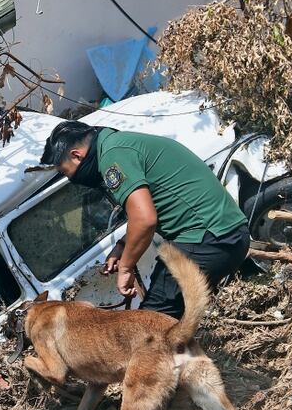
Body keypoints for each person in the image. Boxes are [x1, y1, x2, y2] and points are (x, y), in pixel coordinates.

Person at [40, 120, 251, 319]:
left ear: (76, 155)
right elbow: (146, 212)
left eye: (65, 172)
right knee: (172, 325)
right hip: (224, 233)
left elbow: (145, 219)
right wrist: (123, 245)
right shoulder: (117, 143)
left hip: (209, 238)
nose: (70, 178)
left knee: (149, 327)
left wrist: (126, 268)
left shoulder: (113, 156)